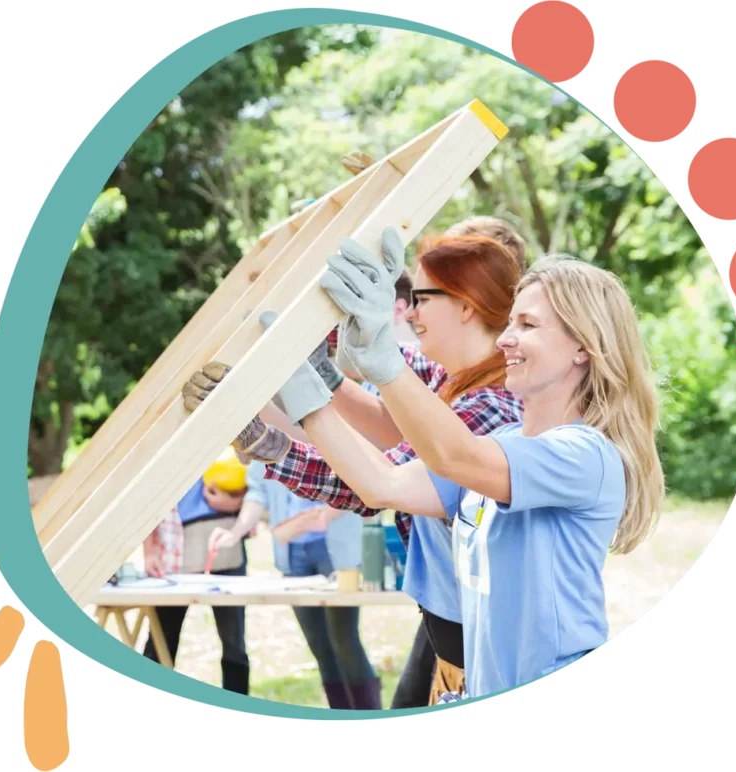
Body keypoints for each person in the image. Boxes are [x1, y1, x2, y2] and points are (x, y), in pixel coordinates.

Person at [222, 230, 664, 700]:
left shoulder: (584, 456)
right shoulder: (504, 439)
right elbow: (379, 483)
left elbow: (453, 453)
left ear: (584, 347)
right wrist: (299, 402)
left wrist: (378, 360)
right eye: (511, 322)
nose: (508, 338)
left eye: (529, 326)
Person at [181, 230, 526, 707]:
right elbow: (392, 424)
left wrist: (267, 441)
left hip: (482, 646)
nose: (408, 312)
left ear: (467, 306)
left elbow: (378, 482)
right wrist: (323, 373)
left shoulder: (492, 408)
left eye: (420, 299)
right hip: (455, 633)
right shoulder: (456, 382)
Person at [206, 461, 381, 708]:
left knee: (345, 641)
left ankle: (369, 714)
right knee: (319, 646)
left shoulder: (325, 426)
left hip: (335, 551)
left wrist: (322, 516)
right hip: (292, 554)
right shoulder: (266, 438)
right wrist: (234, 534)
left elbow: (361, 482)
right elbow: (258, 493)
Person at [140, 449, 253, 695]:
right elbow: (147, 501)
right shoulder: (164, 448)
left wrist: (237, 501)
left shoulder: (229, 437)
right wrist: (148, 551)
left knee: (234, 643)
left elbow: (257, 488)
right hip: (174, 554)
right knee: (161, 639)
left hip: (226, 549)